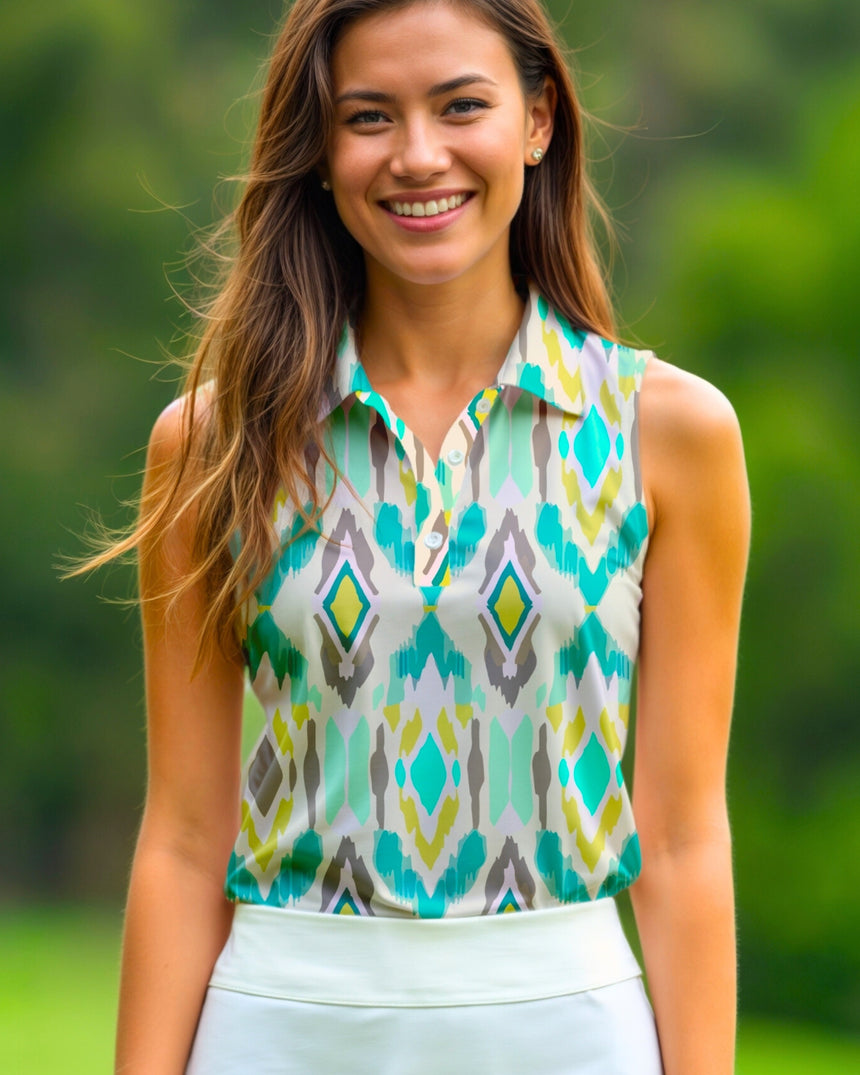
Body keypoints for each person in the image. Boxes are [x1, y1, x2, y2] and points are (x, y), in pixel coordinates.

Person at [102, 0, 750, 1071]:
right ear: (316, 148)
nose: (416, 156)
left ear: (536, 122)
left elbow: (680, 839)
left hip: (567, 1029)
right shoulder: (215, 443)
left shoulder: (667, 434)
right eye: (367, 117)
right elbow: (180, 836)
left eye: (461, 106)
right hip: (278, 1025)